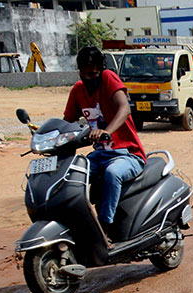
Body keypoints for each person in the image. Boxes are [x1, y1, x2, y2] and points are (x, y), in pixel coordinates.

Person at [64, 46, 146, 238]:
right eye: (84, 74)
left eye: (93, 74)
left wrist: (106, 131)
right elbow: (66, 121)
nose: (89, 78)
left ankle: (105, 226)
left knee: (112, 173)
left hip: (128, 153)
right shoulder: (78, 90)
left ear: (100, 69)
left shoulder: (109, 78)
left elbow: (124, 108)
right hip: (100, 155)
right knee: (72, 176)